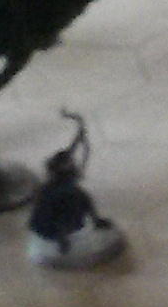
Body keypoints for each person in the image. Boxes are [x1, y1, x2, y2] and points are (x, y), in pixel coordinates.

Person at [27, 113, 124, 268]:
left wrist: (78, 124)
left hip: (64, 214)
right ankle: (62, 241)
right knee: (68, 205)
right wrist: (62, 238)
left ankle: (96, 222)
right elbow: (55, 215)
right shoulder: (53, 190)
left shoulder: (67, 184)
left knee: (83, 198)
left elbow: (74, 145)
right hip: (48, 227)